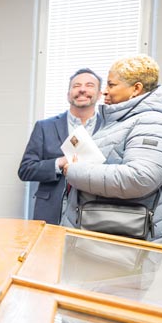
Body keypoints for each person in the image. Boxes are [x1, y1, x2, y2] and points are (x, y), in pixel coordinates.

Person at [61, 54, 162, 243]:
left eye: (111, 85)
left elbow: (140, 178)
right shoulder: (124, 119)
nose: (105, 91)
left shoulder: (154, 122)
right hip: (99, 233)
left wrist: (75, 170)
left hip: (120, 240)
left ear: (136, 89)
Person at [17, 68, 103, 224]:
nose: (82, 89)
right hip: (51, 214)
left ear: (99, 94)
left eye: (89, 85)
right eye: (76, 86)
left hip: (93, 214)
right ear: (68, 94)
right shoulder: (45, 127)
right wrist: (60, 162)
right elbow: (25, 170)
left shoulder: (109, 127)